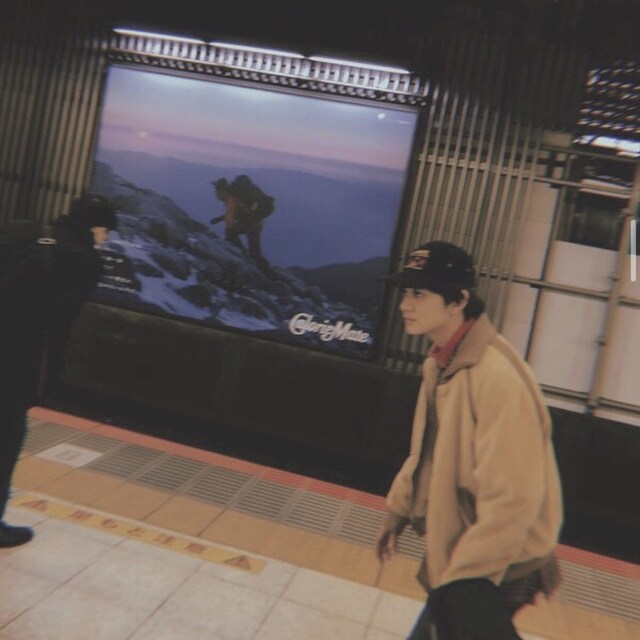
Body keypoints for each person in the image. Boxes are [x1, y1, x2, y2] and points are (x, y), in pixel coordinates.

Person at [375, 241, 564, 640]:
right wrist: (398, 511)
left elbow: (514, 499)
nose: (405, 305)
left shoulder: (496, 378)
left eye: (419, 294)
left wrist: (460, 579)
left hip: (504, 560)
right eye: (406, 293)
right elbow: (426, 454)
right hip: (470, 546)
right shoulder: (440, 363)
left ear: (458, 301)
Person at [0, 193, 117, 547]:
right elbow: (58, 323)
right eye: (105, 231)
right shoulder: (85, 261)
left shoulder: (26, 231)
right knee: (7, 434)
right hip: (17, 355)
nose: (105, 238)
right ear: (95, 228)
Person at [210, 176, 271, 271]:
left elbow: (234, 215)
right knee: (252, 250)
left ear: (223, 191)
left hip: (252, 225)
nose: (216, 195)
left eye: (217, 192)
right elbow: (235, 213)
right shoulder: (232, 197)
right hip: (252, 224)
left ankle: (264, 270)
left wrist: (238, 223)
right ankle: (248, 259)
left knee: (253, 252)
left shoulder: (232, 198)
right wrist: (219, 219)